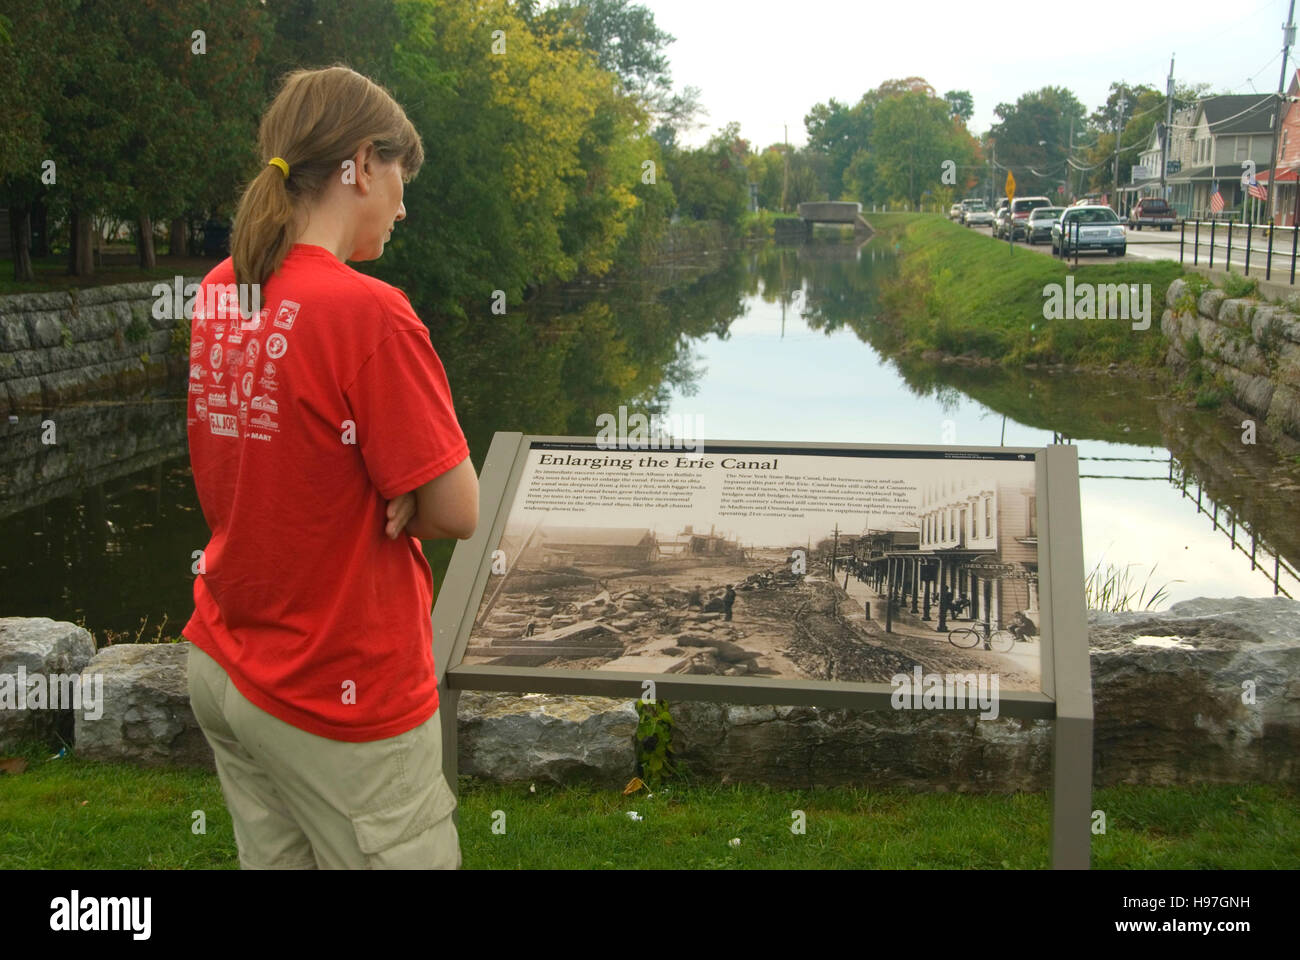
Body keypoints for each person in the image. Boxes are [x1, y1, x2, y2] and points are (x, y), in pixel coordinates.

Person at [183, 67, 479, 870]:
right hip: (338, 689)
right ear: (360, 164)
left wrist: (386, 488)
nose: (404, 205)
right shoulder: (368, 311)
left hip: (228, 660)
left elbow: (267, 456)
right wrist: (404, 498)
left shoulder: (221, 291)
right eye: (399, 178)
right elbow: (457, 509)